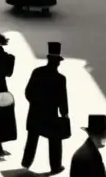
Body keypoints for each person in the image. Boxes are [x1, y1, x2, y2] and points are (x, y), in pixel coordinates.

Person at [23, 41, 70, 174]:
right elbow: (63, 98)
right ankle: (55, 166)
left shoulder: (37, 72)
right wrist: (64, 113)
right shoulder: (60, 78)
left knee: (32, 139)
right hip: (51, 114)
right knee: (55, 141)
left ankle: (26, 162)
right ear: (58, 62)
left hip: (35, 112)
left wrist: (34, 103)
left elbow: (28, 92)